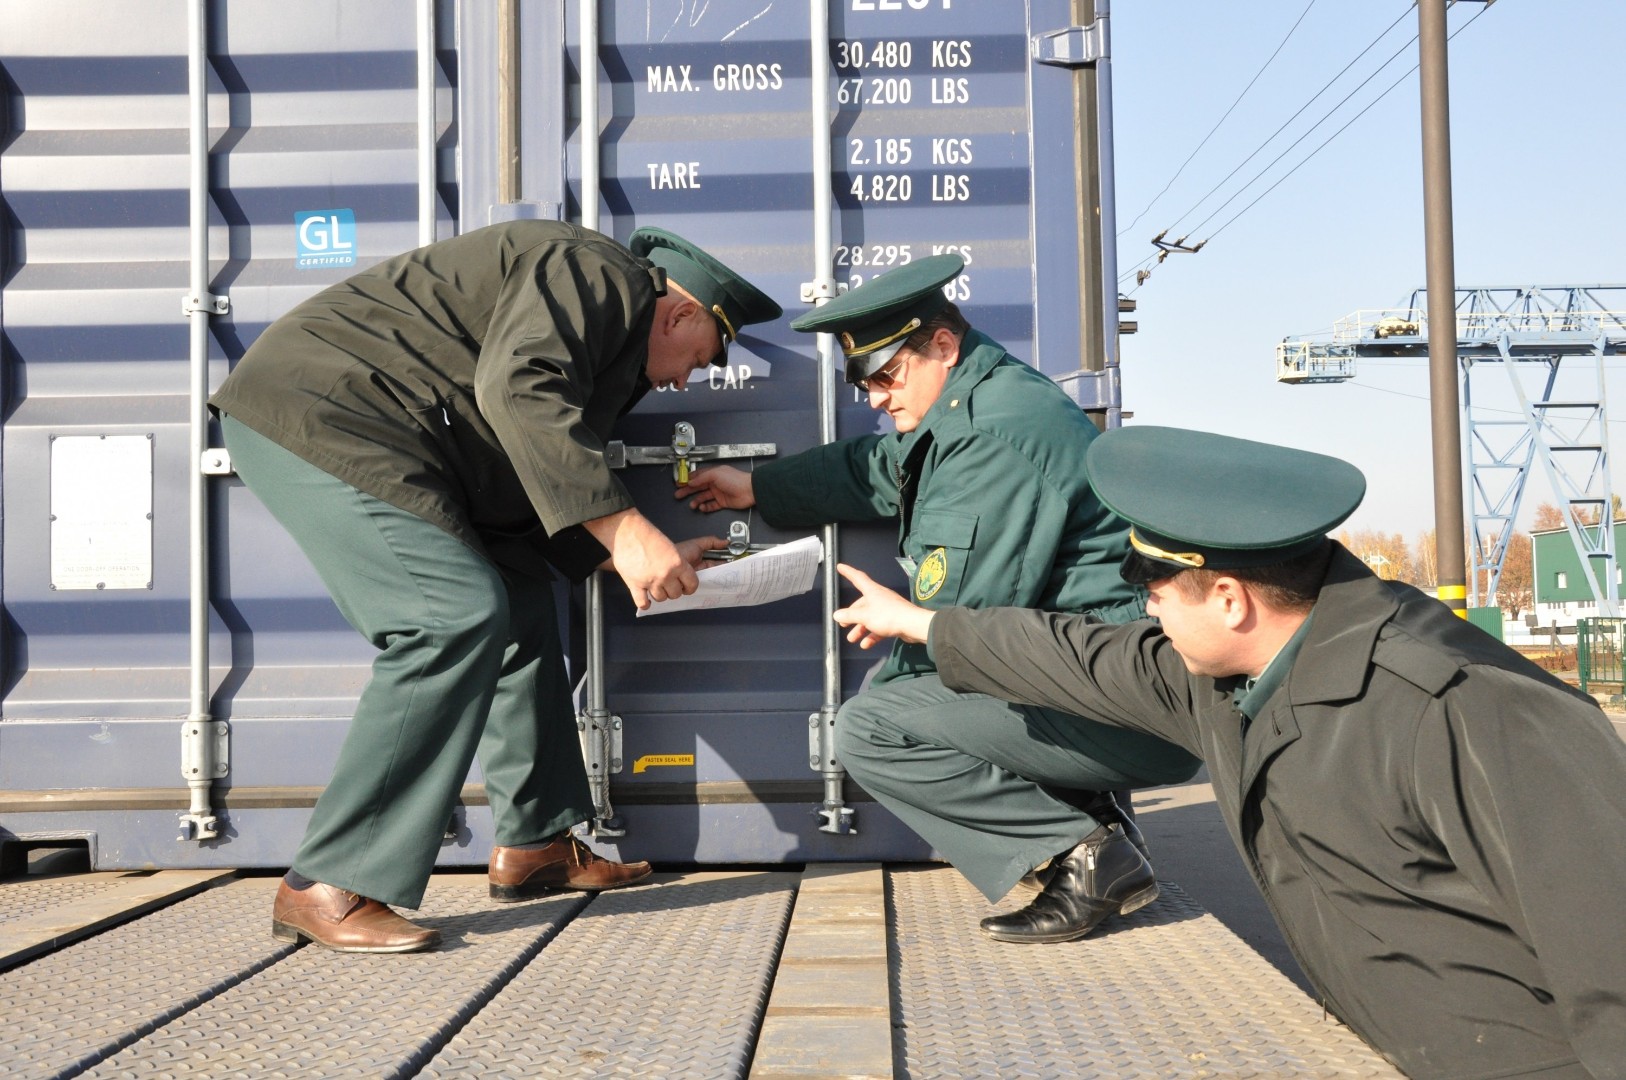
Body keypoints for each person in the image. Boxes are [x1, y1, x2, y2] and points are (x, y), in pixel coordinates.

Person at [832, 425, 1626, 1079]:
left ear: (1227, 597)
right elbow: (1078, 654)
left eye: (1154, 593)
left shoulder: (1468, 709)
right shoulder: (1228, 676)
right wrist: (924, 624)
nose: (1146, 613)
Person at [210, 221, 781, 953]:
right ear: (678, 314)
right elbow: (516, 389)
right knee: (447, 618)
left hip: (405, 438)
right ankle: (330, 880)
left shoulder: (605, 335)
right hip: (328, 412)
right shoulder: (598, 273)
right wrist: (628, 528)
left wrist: (612, 550)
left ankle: (538, 843)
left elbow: (523, 463)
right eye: (695, 359)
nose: (681, 382)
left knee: (521, 608)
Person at [674, 254, 1200, 942]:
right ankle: (1090, 817)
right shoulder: (975, 400)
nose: (876, 397)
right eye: (863, 383)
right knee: (907, 703)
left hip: (1128, 708)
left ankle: (1090, 857)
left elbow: (963, 630)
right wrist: (760, 487)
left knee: (872, 728)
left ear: (943, 346)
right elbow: (882, 467)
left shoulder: (990, 434)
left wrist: (897, 645)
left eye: (887, 376)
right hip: (1114, 686)